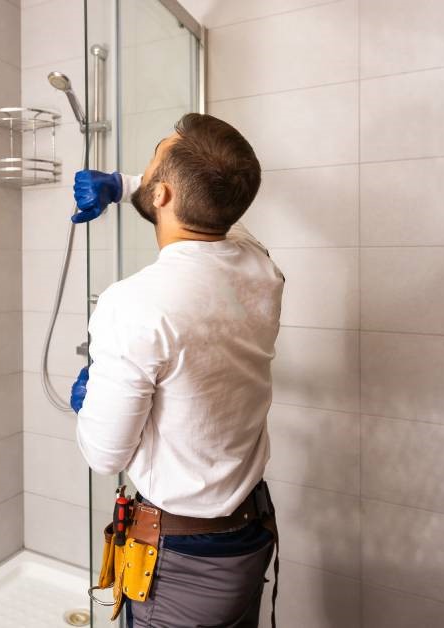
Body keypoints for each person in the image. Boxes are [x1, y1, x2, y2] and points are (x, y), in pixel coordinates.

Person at [69, 113, 284, 628]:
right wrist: (124, 186)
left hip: (182, 566)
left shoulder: (135, 302)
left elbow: (105, 455)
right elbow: (219, 209)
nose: (141, 173)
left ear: (163, 194)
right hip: (246, 536)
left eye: (150, 164)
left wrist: (92, 396)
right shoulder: (261, 267)